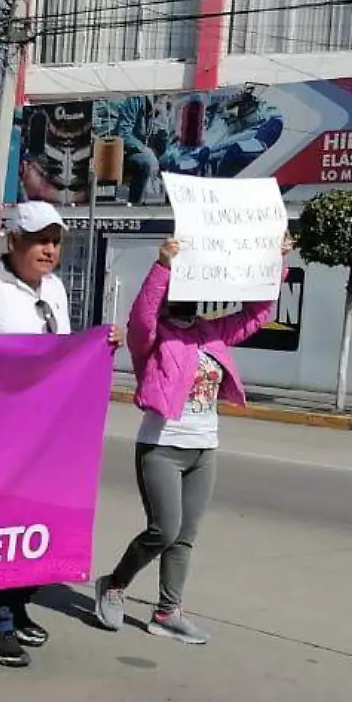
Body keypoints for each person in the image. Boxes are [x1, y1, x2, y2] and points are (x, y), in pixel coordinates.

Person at [0, 200, 122, 668]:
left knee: (41, 530)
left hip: (45, 439)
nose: (49, 249)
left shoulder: (56, 289)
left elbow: (61, 355)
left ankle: (18, 604)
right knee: (1, 532)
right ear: (14, 241)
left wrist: (100, 347)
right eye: (40, 239)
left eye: (55, 241)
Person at [95, 235, 288, 645]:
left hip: (205, 448)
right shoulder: (151, 338)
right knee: (164, 530)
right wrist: (163, 265)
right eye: (177, 292)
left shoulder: (211, 333)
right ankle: (114, 583)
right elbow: (142, 316)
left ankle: (167, 612)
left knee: (185, 536)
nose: (186, 301)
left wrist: (276, 262)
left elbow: (257, 313)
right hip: (162, 447)